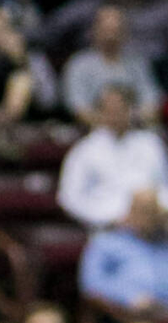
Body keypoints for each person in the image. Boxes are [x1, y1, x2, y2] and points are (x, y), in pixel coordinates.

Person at [58, 83, 168, 230]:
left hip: (154, 226)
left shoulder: (151, 144)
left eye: (120, 108)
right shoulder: (84, 150)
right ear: (100, 112)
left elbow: (164, 186)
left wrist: (156, 211)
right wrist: (109, 219)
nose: (115, 115)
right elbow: (69, 199)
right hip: (108, 227)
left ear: (131, 110)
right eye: (110, 109)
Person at [60, 8, 162, 128]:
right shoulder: (78, 64)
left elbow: (152, 104)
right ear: (94, 31)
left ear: (126, 33)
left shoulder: (138, 63)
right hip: (93, 133)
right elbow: (78, 110)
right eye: (106, 30)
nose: (111, 36)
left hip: (134, 130)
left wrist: (129, 121)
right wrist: (113, 123)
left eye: (116, 31)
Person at [79, 194, 168, 317]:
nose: (148, 217)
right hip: (123, 313)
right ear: (130, 211)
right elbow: (91, 284)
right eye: (143, 211)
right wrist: (130, 297)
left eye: (152, 211)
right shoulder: (107, 242)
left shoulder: (163, 243)